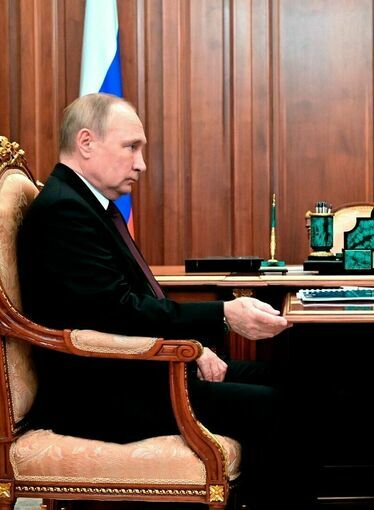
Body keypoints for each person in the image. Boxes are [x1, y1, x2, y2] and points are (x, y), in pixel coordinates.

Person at [17, 93, 292, 509]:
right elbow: (117, 313)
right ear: (86, 142)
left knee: (282, 380)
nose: (141, 164)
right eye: (131, 147)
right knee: (274, 406)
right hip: (100, 395)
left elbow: (125, 304)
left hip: (132, 372)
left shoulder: (85, 204)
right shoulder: (64, 212)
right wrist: (222, 315)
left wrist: (193, 346)